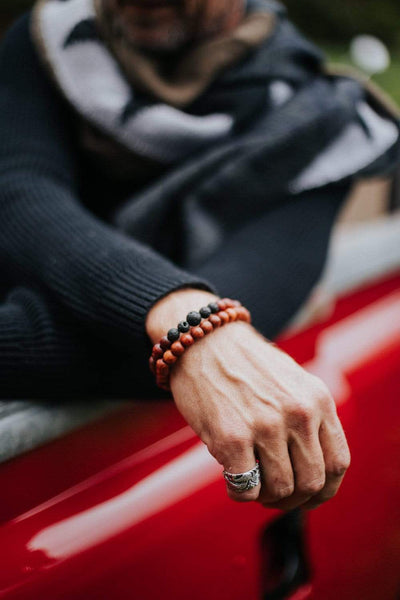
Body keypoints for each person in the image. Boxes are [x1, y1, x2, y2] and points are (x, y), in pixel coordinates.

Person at [0, 0, 399, 511]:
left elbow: (251, 293)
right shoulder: (48, 40)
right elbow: (20, 193)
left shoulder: (321, 121)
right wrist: (185, 317)